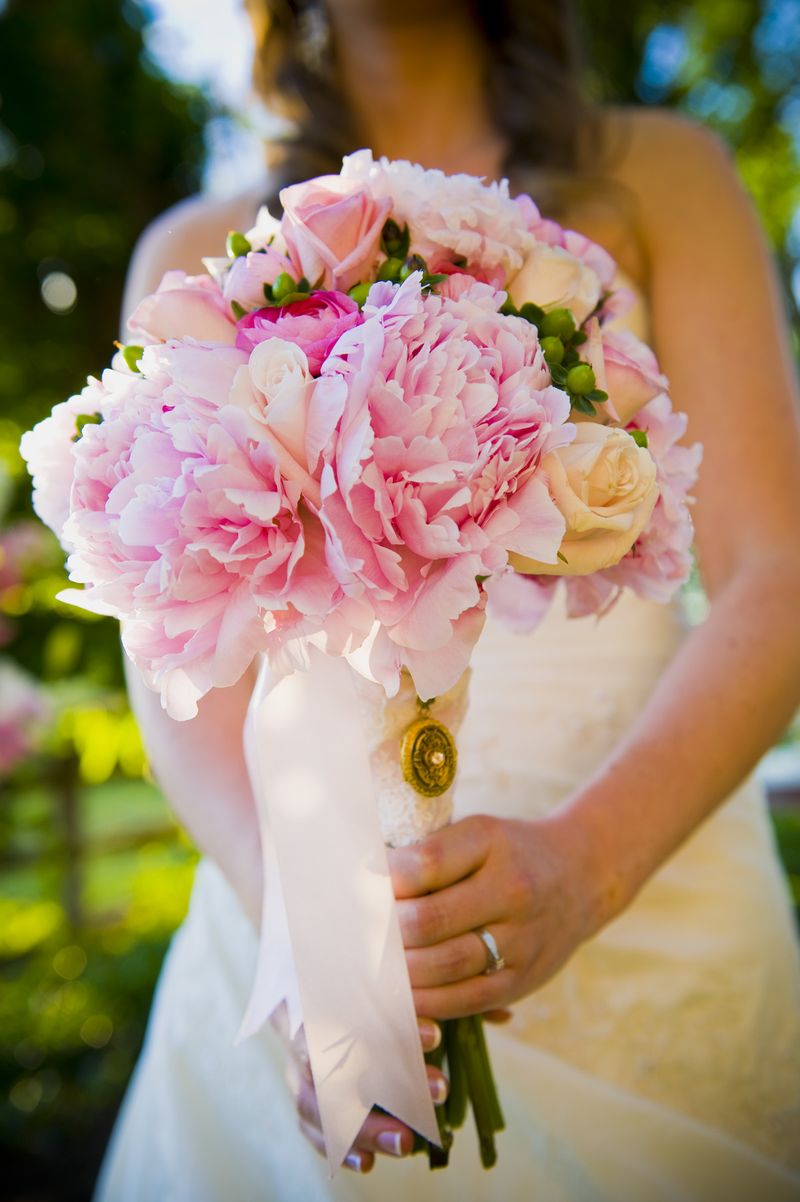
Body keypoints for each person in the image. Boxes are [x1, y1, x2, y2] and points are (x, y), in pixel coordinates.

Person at [94, 1, 800, 1198]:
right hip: (307, 881)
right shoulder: (192, 253)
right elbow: (168, 651)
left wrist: (588, 866)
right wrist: (314, 946)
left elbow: (775, 572)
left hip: (649, 879)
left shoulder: (659, 176)